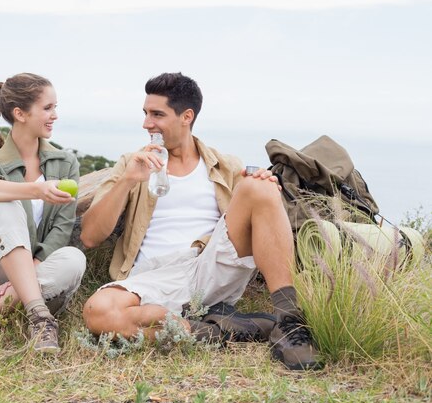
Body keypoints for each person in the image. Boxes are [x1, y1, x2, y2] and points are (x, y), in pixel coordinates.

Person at [80, 72, 321, 370]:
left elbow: (251, 219)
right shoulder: (133, 163)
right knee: (98, 312)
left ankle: (290, 323)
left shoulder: (224, 164)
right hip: (154, 277)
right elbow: (90, 236)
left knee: (260, 185)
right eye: (145, 114)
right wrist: (129, 179)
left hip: (210, 264)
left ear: (186, 116)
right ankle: (215, 329)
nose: (146, 123)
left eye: (157, 114)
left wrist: (262, 184)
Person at [0, 73, 86, 352]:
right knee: (7, 204)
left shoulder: (65, 162)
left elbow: (63, 226)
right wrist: (36, 190)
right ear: (20, 113)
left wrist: (32, 267)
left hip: (33, 273)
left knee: (74, 258)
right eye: (48, 108)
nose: (55, 115)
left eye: (55, 107)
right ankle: (40, 317)